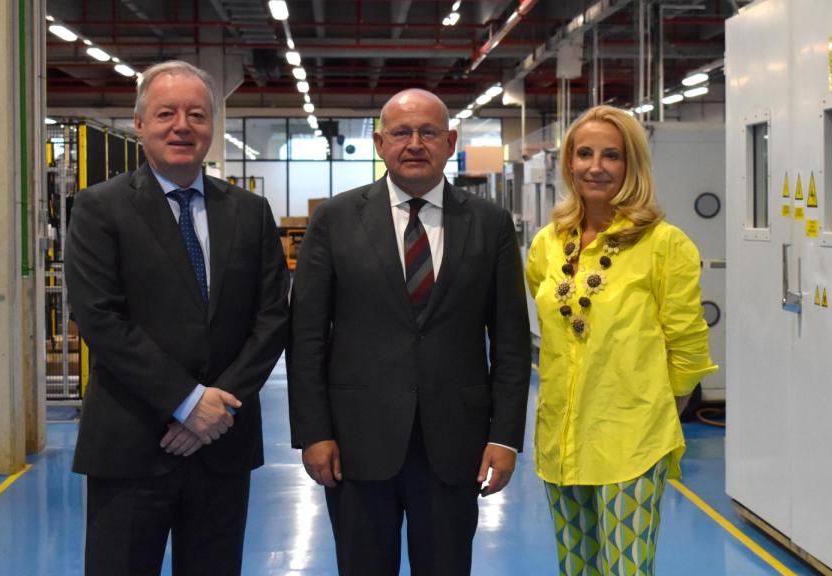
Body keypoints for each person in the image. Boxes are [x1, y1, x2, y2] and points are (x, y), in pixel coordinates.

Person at [288, 88, 531, 576]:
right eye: (401, 132)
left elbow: (510, 340)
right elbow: (306, 336)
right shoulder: (334, 220)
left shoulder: (489, 223)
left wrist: (505, 438)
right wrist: (313, 433)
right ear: (380, 143)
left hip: (454, 443)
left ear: (450, 141)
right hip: (356, 444)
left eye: (428, 132)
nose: (415, 143)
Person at [64, 60, 289, 576]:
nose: (182, 126)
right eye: (166, 113)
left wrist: (217, 410)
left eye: (197, 114)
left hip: (223, 447)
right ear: (139, 124)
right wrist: (187, 403)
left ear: (214, 126)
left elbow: (273, 316)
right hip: (132, 442)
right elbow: (99, 317)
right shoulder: (100, 208)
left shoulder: (250, 213)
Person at [525, 105, 718, 575]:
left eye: (611, 155)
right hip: (562, 436)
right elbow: (550, 316)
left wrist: (658, 409)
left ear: (631, 165)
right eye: (585, 153)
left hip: (631, 440)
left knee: (626, 569)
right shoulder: (548, 243)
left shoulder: (664, 244)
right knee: (576, 566)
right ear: (568, 162)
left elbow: (689, 343)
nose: (596, 166)